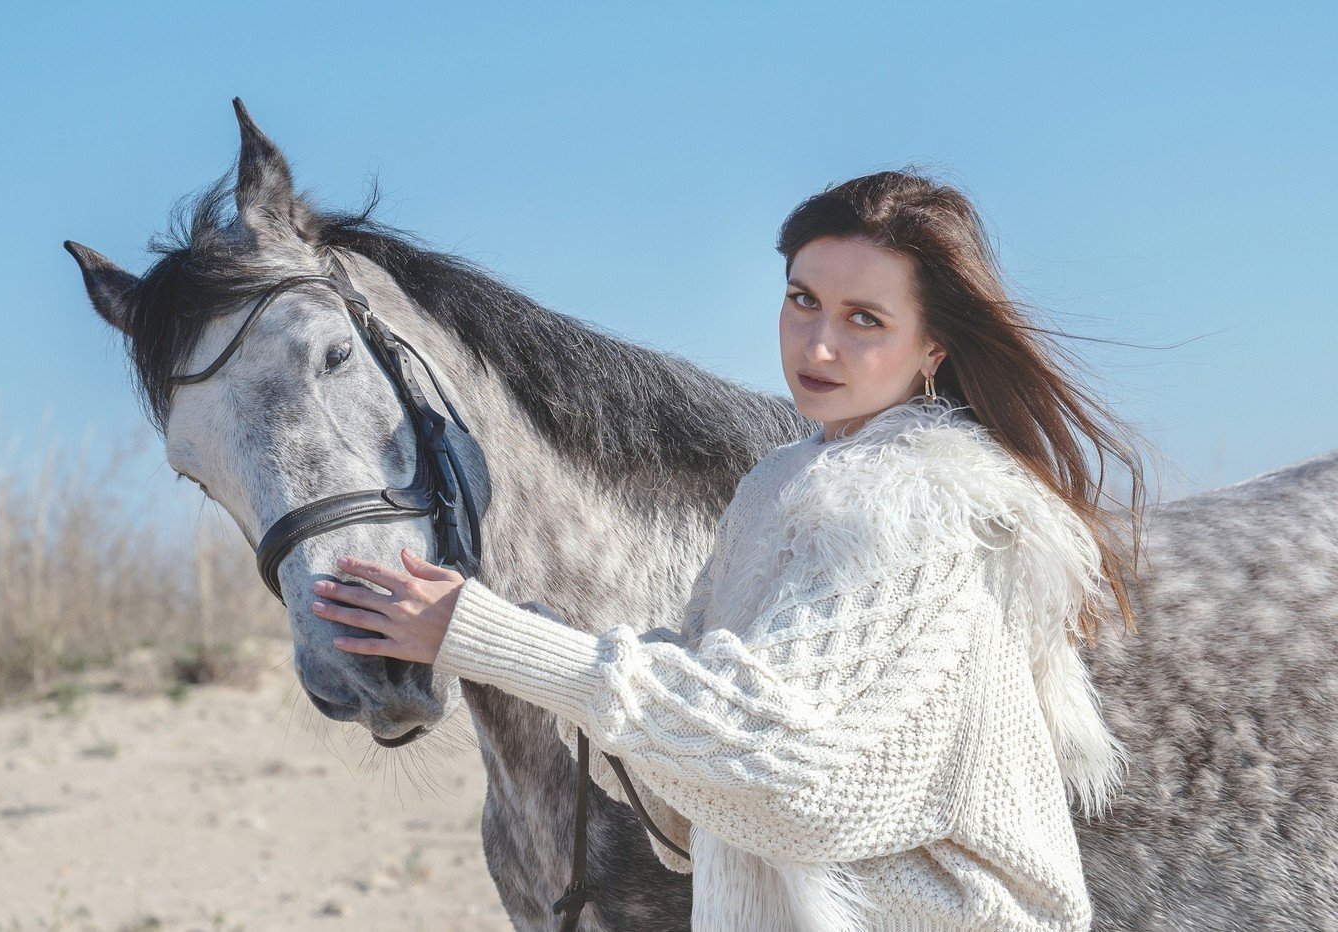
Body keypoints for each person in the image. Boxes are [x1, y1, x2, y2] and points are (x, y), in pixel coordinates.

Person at [309, 169, 1150, 930]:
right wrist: (519, 624)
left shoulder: (916, 503)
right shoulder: (784, 481)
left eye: (865, 319)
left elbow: (778, 759)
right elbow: (711, 744)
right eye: (802, 299)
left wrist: (486, 637)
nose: (817, 345)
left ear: (933, 348)